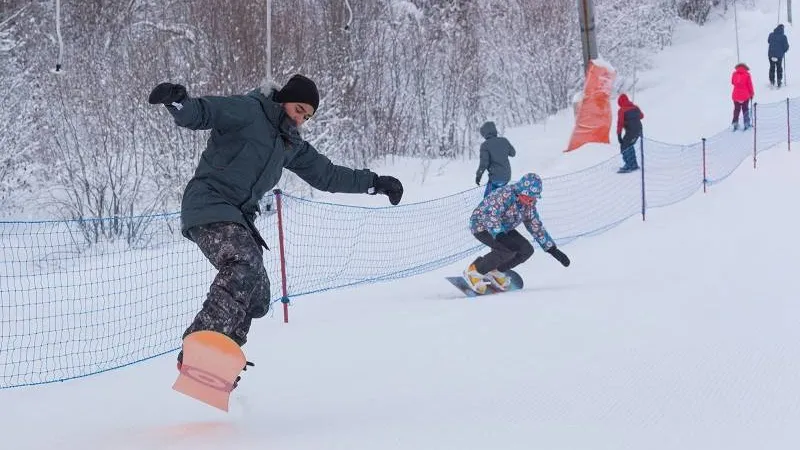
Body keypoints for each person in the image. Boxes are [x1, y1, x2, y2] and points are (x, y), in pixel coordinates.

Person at [147, 74, 404, 372]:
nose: (299, 120)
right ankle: (201, 343)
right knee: (243, 264)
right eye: (298, 110)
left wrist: (374, 183)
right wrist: (178, 102)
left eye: (306, 116)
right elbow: (204, 112)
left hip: (239, 218)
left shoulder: (289, 143)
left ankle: (219, 357)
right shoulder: (248, 110)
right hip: (209, 203)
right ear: (284, 99)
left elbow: (328, 175)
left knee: (258, 294)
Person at [463, 173, 570, 294]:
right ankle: (475, 270)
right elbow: (489, 215)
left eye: (533, 198)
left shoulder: (529, 205)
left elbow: (535, 225)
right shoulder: (504, 194)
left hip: (504, 229)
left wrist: (552, 249)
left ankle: (494, 270)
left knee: (526, 250)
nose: (531, 201)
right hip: (482, 225)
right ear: (521, 191)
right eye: (529, 197)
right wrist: (500, 236)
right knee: (507, 250)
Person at [475, 121, 516, 197]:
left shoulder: (485, 145)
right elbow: (513, 153)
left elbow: (484, 163)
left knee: (487, 200)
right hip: (506, 177)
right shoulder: (504, 140)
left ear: (484, 133)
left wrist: (478, 176)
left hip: (495, 178)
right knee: (500, 198)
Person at [616, 94, 644, 174]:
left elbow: (620, 123)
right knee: (630, 146)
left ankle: (629, 165)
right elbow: (642, 116)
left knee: (624, 147)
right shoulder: (635, 107)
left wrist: (619, 135)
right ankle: (633, 164)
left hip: (631, 131)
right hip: (638, 131)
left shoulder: (622, 110)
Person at [731, 63, 755, 131]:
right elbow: (750, 85)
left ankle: (735, 123)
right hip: (745, 96)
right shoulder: (747, 75)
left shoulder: (734, 74)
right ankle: (746, 123)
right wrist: (752, 94)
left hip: (735, 95)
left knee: (736, 110)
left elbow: (732, 82)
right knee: (745, 110)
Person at [768, 24, 790, 88]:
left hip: (771, 54)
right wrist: (784, 50)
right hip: (779, 55)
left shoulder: (771, 34)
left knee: (772, 67)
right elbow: (786, 47)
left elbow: (769, 41)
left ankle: (772, 81)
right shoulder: (783, 37)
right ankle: (779, 81)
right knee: (779, 67)